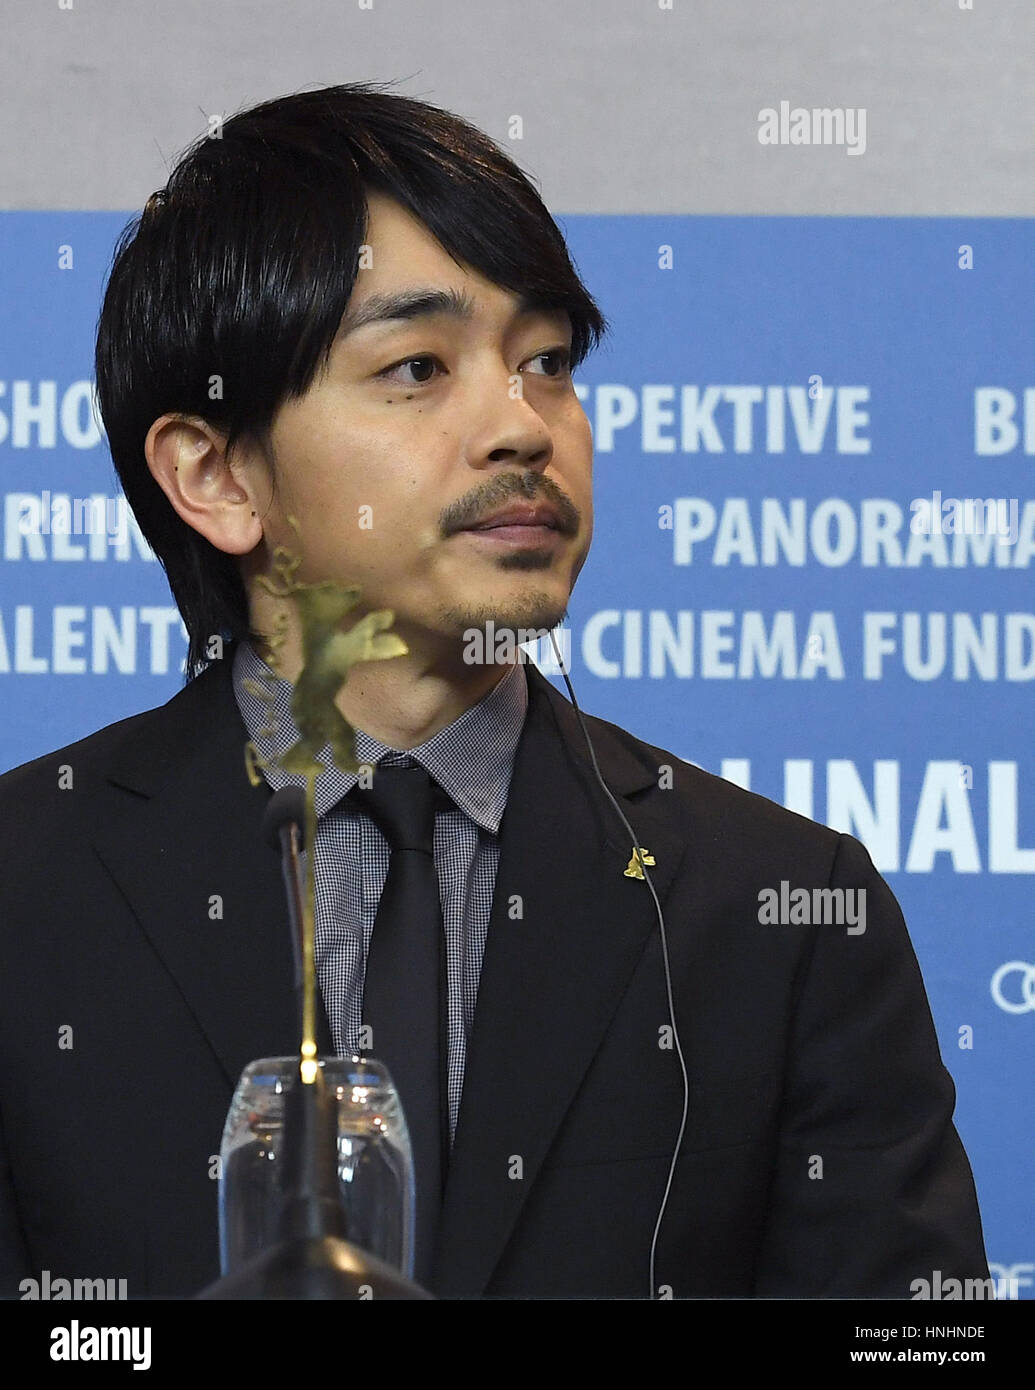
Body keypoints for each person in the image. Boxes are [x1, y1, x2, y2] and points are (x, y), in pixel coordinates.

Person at [0, 82, 987, 1300]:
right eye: (418, 365)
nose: (523, 426)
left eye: (549, 362)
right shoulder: (22, 885)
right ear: (215, 474)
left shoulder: (782, 916)